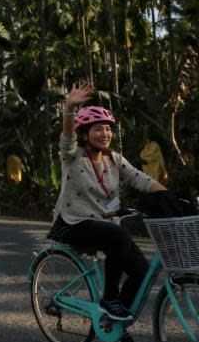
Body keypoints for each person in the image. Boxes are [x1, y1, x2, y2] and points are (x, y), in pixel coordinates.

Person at [49, 83, 166, 326]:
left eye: (107, 129)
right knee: (120, 236)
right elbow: (66, 139)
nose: (104, 134)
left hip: (103, 224)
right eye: (97, 129)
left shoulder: (114, 159)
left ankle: (113, 318)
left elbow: (139, 178)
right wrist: (70, 107)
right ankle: (109, 300)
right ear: (84, 134)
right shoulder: (72, 157)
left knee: (142, 272)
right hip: (72, 223)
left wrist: (170, 197)